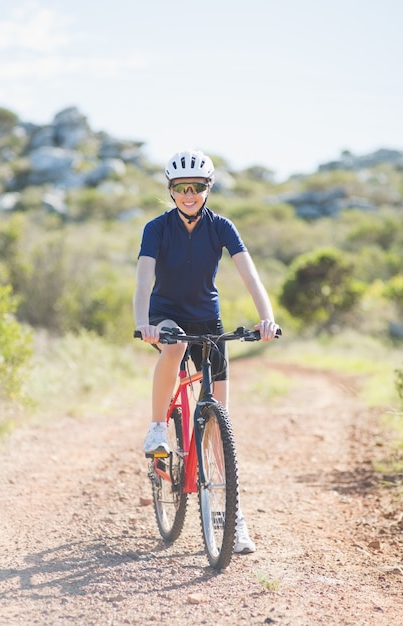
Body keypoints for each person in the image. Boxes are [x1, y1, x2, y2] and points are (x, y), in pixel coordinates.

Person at [133, 149, 279, 554]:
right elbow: (144, 279)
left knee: (219, 428)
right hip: (164, 316)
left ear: (207, 188)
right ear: (171, 190)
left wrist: (266, 317)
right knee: (175, 344)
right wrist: (144, 321)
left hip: (208, 321)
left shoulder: (222, 227)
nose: (189, 194)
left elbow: (250, 275)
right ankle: (158, 427)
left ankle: (233, 520)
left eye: (196, 187)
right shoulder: (156, 228)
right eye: (181, 188)